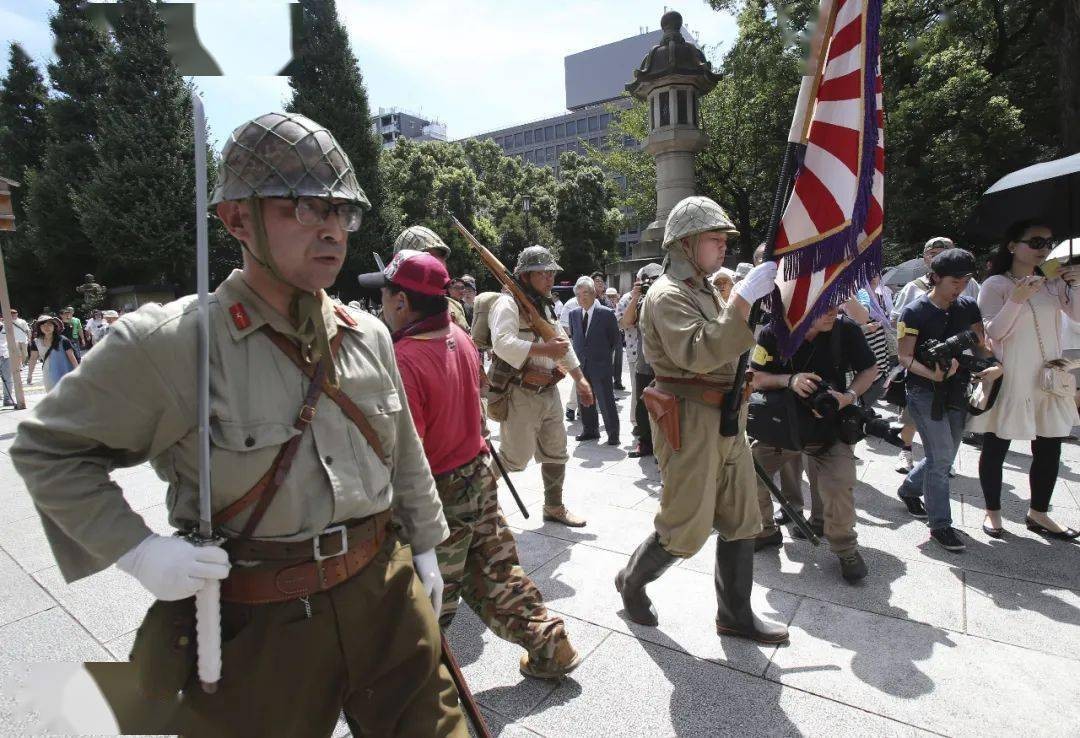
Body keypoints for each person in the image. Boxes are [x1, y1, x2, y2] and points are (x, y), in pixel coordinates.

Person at [11, 112, 466, 737]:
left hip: (384, 592)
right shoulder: (176, 343)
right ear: (236, 220)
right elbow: (48, 448)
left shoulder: (370, 337)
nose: (333, 229)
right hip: (261, 619)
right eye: (306, 208)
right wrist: (139, 552)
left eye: (342, 212)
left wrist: (426, 547)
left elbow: (403, 450)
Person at [366, 249, 582, 680]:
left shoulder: (405, 360)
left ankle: (413, 680)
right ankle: (552, 646)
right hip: (478, 474)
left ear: (402, 303)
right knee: (497, 569)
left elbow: (411, 452)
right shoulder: (458, 337)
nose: (382, 305)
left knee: (430, 590)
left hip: (439, 492)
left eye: (386, 296)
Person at [615, 195, 788, 643]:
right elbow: (699, 351)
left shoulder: (703, 288)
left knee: (741, 518)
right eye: (714, 239)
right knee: (684, 526)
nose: (723, 248)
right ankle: (630, 581)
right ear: (686, 243)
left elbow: (731, 344)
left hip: (728, 416)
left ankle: (735, 615)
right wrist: (744, 301)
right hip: (689, 419)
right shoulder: (667, 294)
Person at [749, 306, 879, 582]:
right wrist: (790, 380)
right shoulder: (774, 332)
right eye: (826, 304)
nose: (835, 310)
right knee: (747, 473)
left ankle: (845, 549)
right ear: (803, 304)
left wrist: (849, 396)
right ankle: (765, 530)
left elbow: (870, 368)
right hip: (782, 429)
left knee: (839, 483)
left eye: (836, 303)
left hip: (829, 429)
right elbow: (756, 377)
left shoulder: (846, 330)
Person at [970, 221, 1080, 540]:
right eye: (1035, 242)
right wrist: (1016, 299)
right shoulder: (996, 284)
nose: (1043, 248)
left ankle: (1039, 512)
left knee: (1050, 444)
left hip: (1050, 374)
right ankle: (993, 512)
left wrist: (1076, 284)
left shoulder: (1052, 283)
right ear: (1012, 246)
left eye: (1048, 242)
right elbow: (992, 333)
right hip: (1012, 373)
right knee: (997, 442)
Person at [896, 248, 1001, 552]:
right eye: (955, 281)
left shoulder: (968, 307)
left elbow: (981, 346)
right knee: (941, 460)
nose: (961, 286)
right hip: (923, 392)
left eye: (966, 280)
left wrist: (992, 365)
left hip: (957, 389)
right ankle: (940, 525)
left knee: (943, 455)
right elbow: (904, 357)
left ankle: (909, 488)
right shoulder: (914, 311)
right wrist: (933, 374)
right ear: (935, 278)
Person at [488, 245, 595, 528]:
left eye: (551, 272)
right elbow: (502, 343)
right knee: (514, 457)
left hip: (548, 391)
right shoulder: (508, 304)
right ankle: (483, 500)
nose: (550, 278)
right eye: (543, 273)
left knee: (556, 450)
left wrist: (579, 378)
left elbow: (561, 343)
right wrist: (544, 349)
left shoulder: (544, 304)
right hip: (521, 392)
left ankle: (554, 507)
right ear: (525, 276)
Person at [891, 237, 981, 472]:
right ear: (926, 258)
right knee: (910, 420)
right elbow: (897, 319)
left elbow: (980, 333)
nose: (960, 286)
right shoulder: (913, 289)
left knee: (944, 451)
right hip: (920, 372)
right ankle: (906, 451)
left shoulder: (969, 288)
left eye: (944, 251)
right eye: (933, 252)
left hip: (957, 378)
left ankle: (935, 466)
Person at [566, 276, 621, 446]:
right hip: (582, 365)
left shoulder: (606, 314)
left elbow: (615, 340)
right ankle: (590, 430)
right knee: (584, 399)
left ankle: (613, 434)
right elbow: (575, 337)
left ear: (594, 294)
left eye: (586, 293)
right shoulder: (573, 314)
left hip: (601, 365)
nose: (582, 297)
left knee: (606, 400)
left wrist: (603, 357)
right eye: (579, 294)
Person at [618, 263, 663, 459]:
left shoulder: (669, 297)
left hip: (666, 364)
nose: (651, 285)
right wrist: (636, 295)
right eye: (647, 281)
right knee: (642, 406)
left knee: (666, 407)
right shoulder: (637, 300)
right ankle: (645, 443)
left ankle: (664, 448)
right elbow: (626, 323)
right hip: (644, 363)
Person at [392, 225, 469, 332]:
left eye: (439, 258)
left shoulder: (454, 307)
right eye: (427, 258)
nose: (436, 265)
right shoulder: (390, 313)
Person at [856, 274, 897, 407]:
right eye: (868, 273)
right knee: (866, 385)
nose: (873, 277)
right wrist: (866, 328)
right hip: (865, 350)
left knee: (878, 383)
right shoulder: (857, 296)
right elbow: (846, 327)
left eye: (875, 273)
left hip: (880, 348)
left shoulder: (882, 296)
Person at [25, 315, 79, 392]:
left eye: (49, 325)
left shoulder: (63, 340)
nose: (46, 327)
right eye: (43, 325)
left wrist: (77, 371)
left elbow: (71, 357)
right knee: (52, 394)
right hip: (48, 373)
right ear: (39, 328)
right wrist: (29, 375)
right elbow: (33, 358)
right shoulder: (36, 342)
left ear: (54, 327)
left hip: (65, 370)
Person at [605, 286, 625, 389]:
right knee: (609, 360)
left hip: (618, 334)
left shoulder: (619, 305)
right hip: (607, 336)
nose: (612, 298)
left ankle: (617, 381)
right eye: (609, 296)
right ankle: (609, 382)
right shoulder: (604, 305)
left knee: (618, 359)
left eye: (614, 296)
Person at [0, 321, 14, 407]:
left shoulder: (5, 326)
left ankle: (7, 399)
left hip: (5, 355)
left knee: (8, 378)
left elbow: (12, 339)